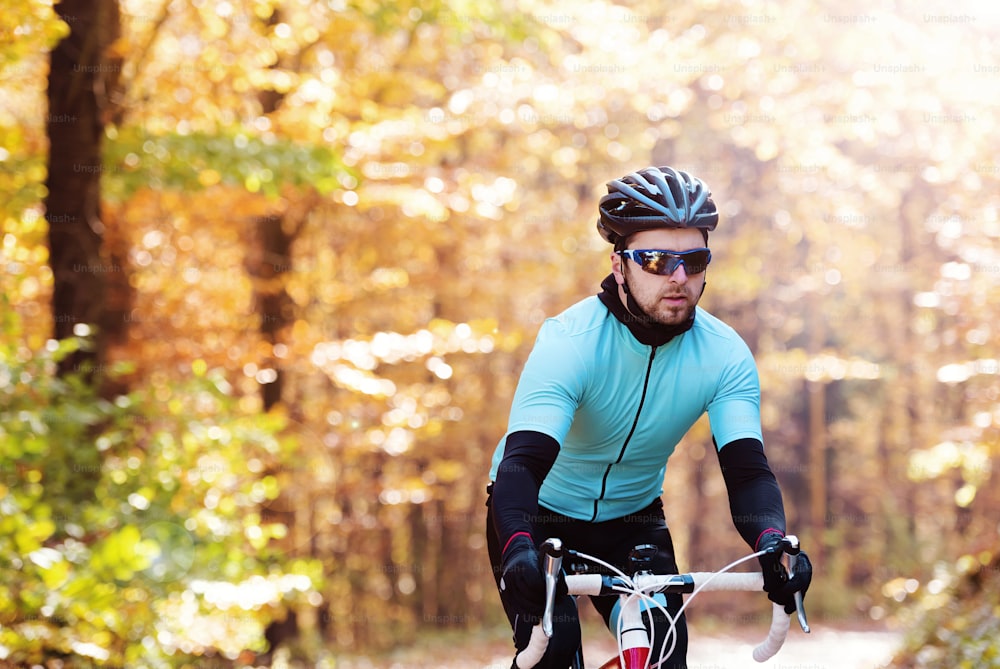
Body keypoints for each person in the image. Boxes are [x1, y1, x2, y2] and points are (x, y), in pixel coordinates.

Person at [485, 166, 813, 668]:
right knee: (554, 651)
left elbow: (747, 471)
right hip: (537, 513)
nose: (678, 278)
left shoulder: (725, 355)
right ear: (619, 265)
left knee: (665, 653)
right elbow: (521, 464)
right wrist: (517, 545)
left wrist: (772, 542)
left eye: (694, 260)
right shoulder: (570, 342)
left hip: (633, 519)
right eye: (656, 260)